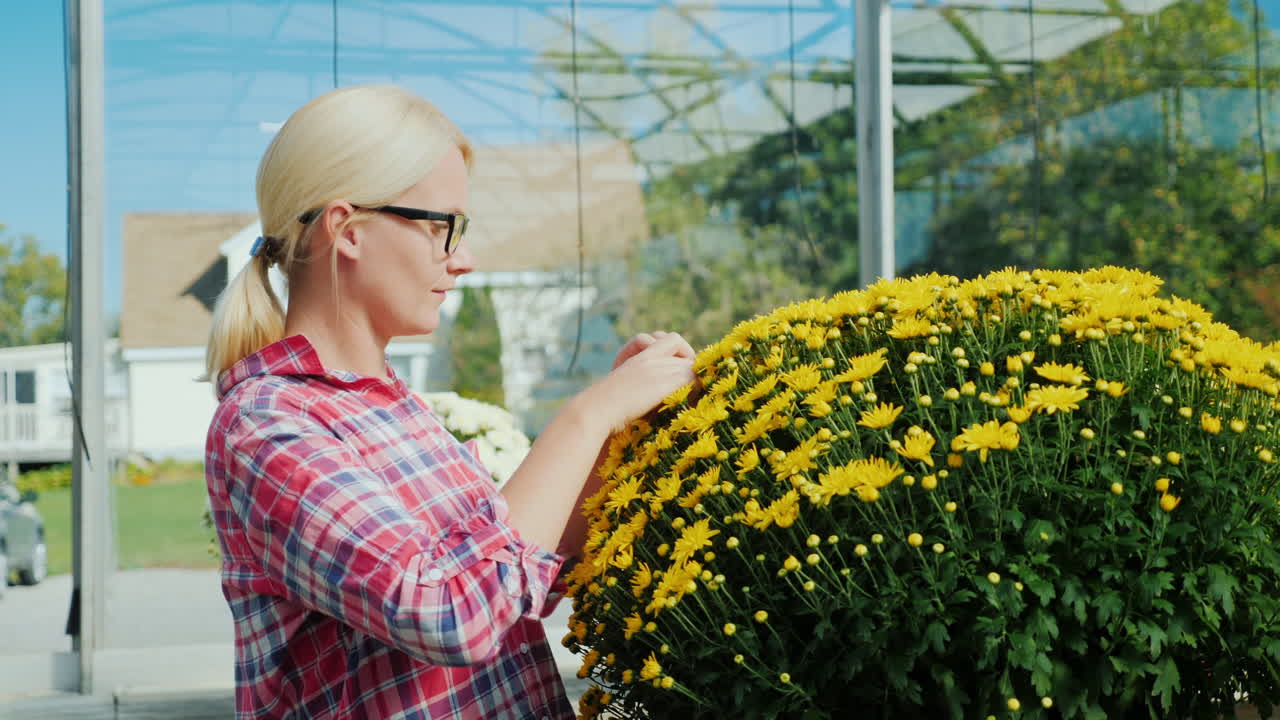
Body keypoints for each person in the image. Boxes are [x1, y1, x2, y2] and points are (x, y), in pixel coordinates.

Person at [203, 85, 696, 720]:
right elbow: (451, 614)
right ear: (346, 229)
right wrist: (586, 416)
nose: (462, 260)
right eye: (444, 226)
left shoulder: (394, 407)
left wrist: (617, 438)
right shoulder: (267, 425)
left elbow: (516, 581)